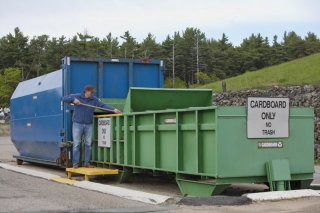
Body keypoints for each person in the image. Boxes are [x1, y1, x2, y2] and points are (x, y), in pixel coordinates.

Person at [62, 85, 121, 168]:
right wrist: (73, 100)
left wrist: (113, 110)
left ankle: (86, 163)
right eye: (91, 92)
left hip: (88, 124)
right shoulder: (77, 96)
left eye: (93, 92)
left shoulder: (94, 99)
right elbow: (64, 98)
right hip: (77, 124)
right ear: (86, 91)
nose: (92, 94)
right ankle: (75, 164)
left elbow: (102, 106)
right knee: (76, 144)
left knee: (88, 144)